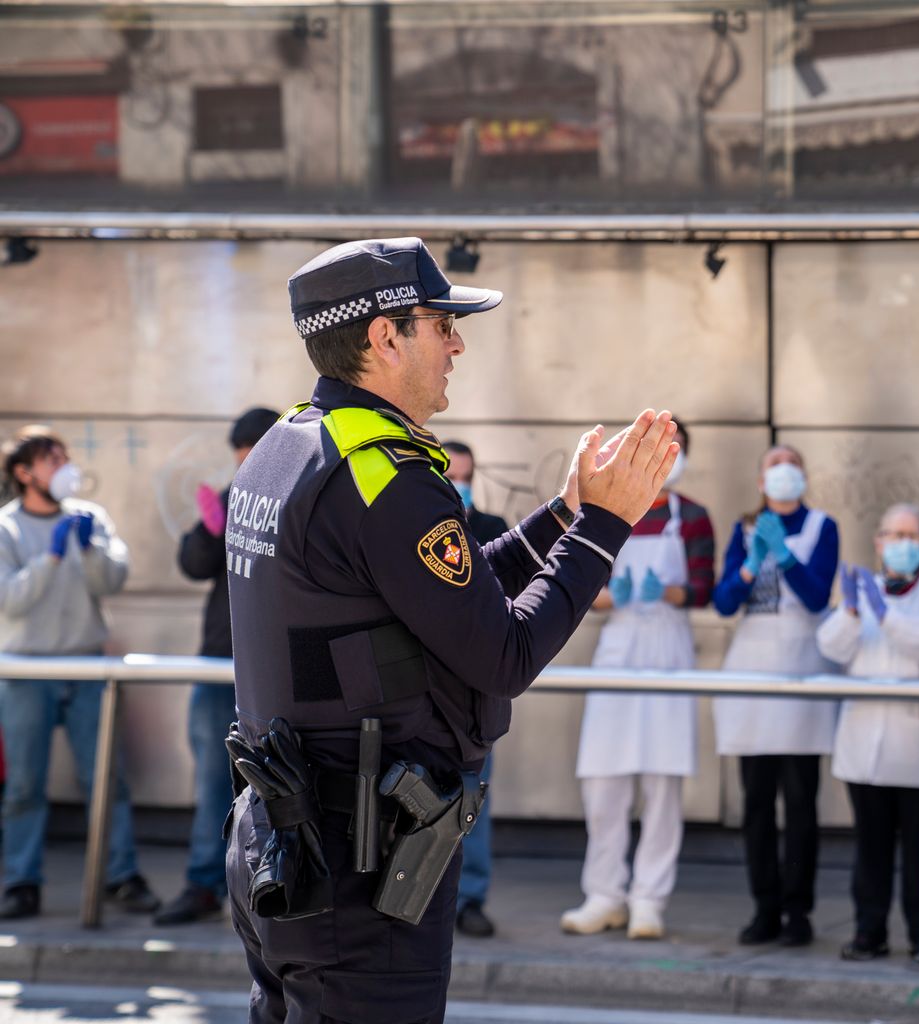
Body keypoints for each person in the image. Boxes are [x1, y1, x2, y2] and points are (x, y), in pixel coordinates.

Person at [225, 236, 678, 1023]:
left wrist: (566, 514)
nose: (457, 343)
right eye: (440, 324)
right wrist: (606, 527)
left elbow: (444, 596)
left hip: (284, 844)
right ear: (383, 338)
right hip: (357, 869)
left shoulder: (288, 447)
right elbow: (501, 654)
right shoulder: (387, 477)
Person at [562, 421, 715, 942]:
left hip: (669, 650)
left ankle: (649, 899)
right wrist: (616, 596)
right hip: (619, 645)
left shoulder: (691, 516)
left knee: (662, 783)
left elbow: (702, 587)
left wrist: (667, 591)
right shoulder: (610, 510)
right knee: (604, 782)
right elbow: (582, 585)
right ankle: (603, 894)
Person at [0, 426, 156, 920]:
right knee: (25, 783)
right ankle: (20, 882)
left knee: (107, 779)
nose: (64, 467)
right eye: (52, 459)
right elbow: (10, 600)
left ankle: (120, 875)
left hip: (88, 664)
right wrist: (50, 557)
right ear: (24, 473)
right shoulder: (6, 529)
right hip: (26, 669)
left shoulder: (92, 518)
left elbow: (113, 580)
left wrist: (88, 550)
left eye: (65, 457)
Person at [816, 503, 919, 962]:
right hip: (864, 742)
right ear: (878, 542)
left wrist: (886, 616)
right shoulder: (862, 593)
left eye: (910, 535)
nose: (901, 544)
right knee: (870, 847)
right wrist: (854, 612)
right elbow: (831, 647)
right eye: (892, 534)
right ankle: (869, 932)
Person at [157, 407, 281, 926]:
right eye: (240, 458)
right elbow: (194, 566)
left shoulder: (299, 493)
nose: (245, 466)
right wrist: (210, 530)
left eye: (252, 455)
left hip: (276, 666)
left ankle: (272, 885)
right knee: (212, 779)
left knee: (279, 782)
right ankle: (204, 881)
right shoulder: (233, 498)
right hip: (219, 660)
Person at [713, 445, 840, 947]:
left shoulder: (822, 527)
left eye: (791, 464)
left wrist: (785, 557)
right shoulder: (745, 530)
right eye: (773, 465)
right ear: (762, 481)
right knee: (758, 804)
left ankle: (798, 910)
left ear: (802, 477)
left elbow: (815, 597)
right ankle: (764, 906)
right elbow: (723, 603)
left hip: (802, 670)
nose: (783, 472)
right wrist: (749, 567)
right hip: (752, 674)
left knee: (802, 804)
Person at [442, 440, 510, 939]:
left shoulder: (490, 531)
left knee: (473, 801)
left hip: (473, 690)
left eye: (466, 476)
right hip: (424, 689)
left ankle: (471, 898)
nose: (458, 485)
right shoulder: (413, 524)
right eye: (450, 475)